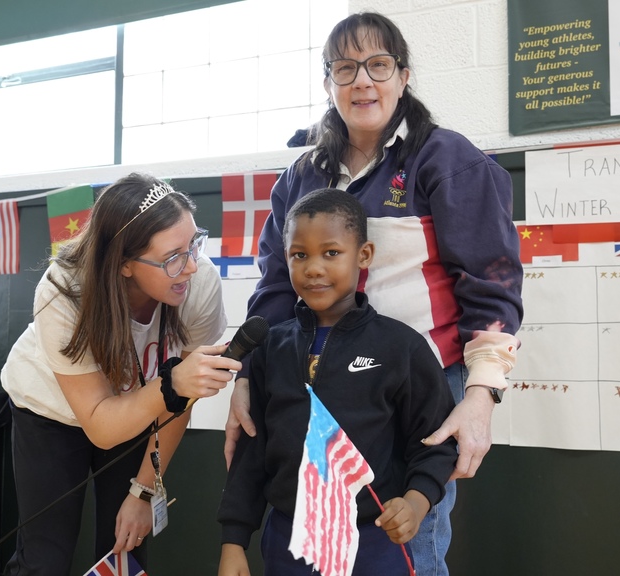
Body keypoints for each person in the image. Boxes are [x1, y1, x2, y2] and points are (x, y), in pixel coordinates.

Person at [224, 12, 523, 576]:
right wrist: (246, 376)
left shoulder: (446, 161)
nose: (363, 80)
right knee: (308, 541)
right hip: (318, 383)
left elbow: (492, 282)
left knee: (410, 541)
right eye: (345, 68)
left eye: (378, 65)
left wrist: (482, 395)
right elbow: (271, 287)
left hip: (419, 388)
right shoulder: (301, 177)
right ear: (328, 83)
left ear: (403, 76)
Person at [1, 172, 238, 575]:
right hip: (50, 412)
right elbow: (103, 426)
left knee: (125, 551)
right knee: (45, 558)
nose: (192, 267)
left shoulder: (197, 283)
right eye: (173, 257)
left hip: (136, 406)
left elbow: (181, 402)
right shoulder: (64, 289)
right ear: (125, 264)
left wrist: (143, 492)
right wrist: (173, 384)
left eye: (193, 243)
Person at [217, 188, 458, 576]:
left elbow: (436, 442)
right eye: (300, 255)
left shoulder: (402, 347)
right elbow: (251, 453)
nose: (314, 268)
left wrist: (415, 501)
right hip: (287, 542)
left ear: (363, 255)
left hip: (374, 541)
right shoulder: (270, 347)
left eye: (331, 253)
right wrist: (233, 542)